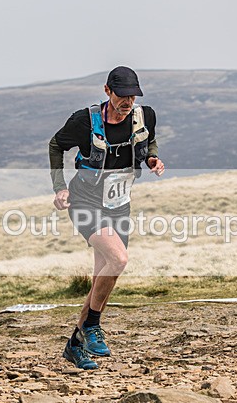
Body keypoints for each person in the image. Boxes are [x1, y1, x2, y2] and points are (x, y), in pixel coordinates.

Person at [49, 66, 164, 370]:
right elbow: (56, 145)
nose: (128, 102)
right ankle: (92, 326)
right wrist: (60, 188)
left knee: (102, 280)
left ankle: (75, 345)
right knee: (119, 260)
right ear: (107, 91)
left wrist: (151, 157)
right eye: (122, 96)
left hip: (119, 203)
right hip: (85, 200)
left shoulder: (145, 115)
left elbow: (148, 141)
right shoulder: (84, 120)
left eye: (132, 96)